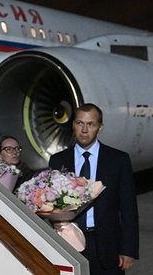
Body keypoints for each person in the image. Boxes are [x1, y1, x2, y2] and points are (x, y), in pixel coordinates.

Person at [48, 103, 139, 274]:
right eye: (79, 123)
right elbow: (50, 204)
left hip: (107, 245)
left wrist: (128, 249)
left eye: (90, 124)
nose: (84, 130)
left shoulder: (118, 160)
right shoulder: (58, 160)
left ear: (100, 127)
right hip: (69, 243)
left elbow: (128, 209)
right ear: (73, 125)